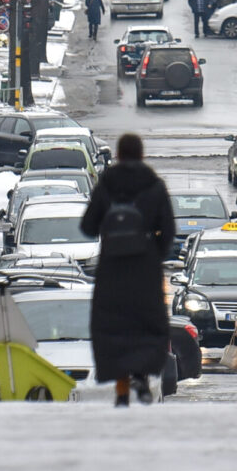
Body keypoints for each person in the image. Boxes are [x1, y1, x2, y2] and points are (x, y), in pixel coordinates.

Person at [78, 133, 176, 406]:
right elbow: (169, 231)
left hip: (112, 268)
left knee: (114, 327)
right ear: (141, 154)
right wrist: (152, 250)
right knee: (145, 324)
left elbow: (87, 227)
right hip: (144, 269)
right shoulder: (155, 186)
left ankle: (121, 391)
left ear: (119, 155)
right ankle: (142, 378)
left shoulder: (106, 185)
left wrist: (111, 233)